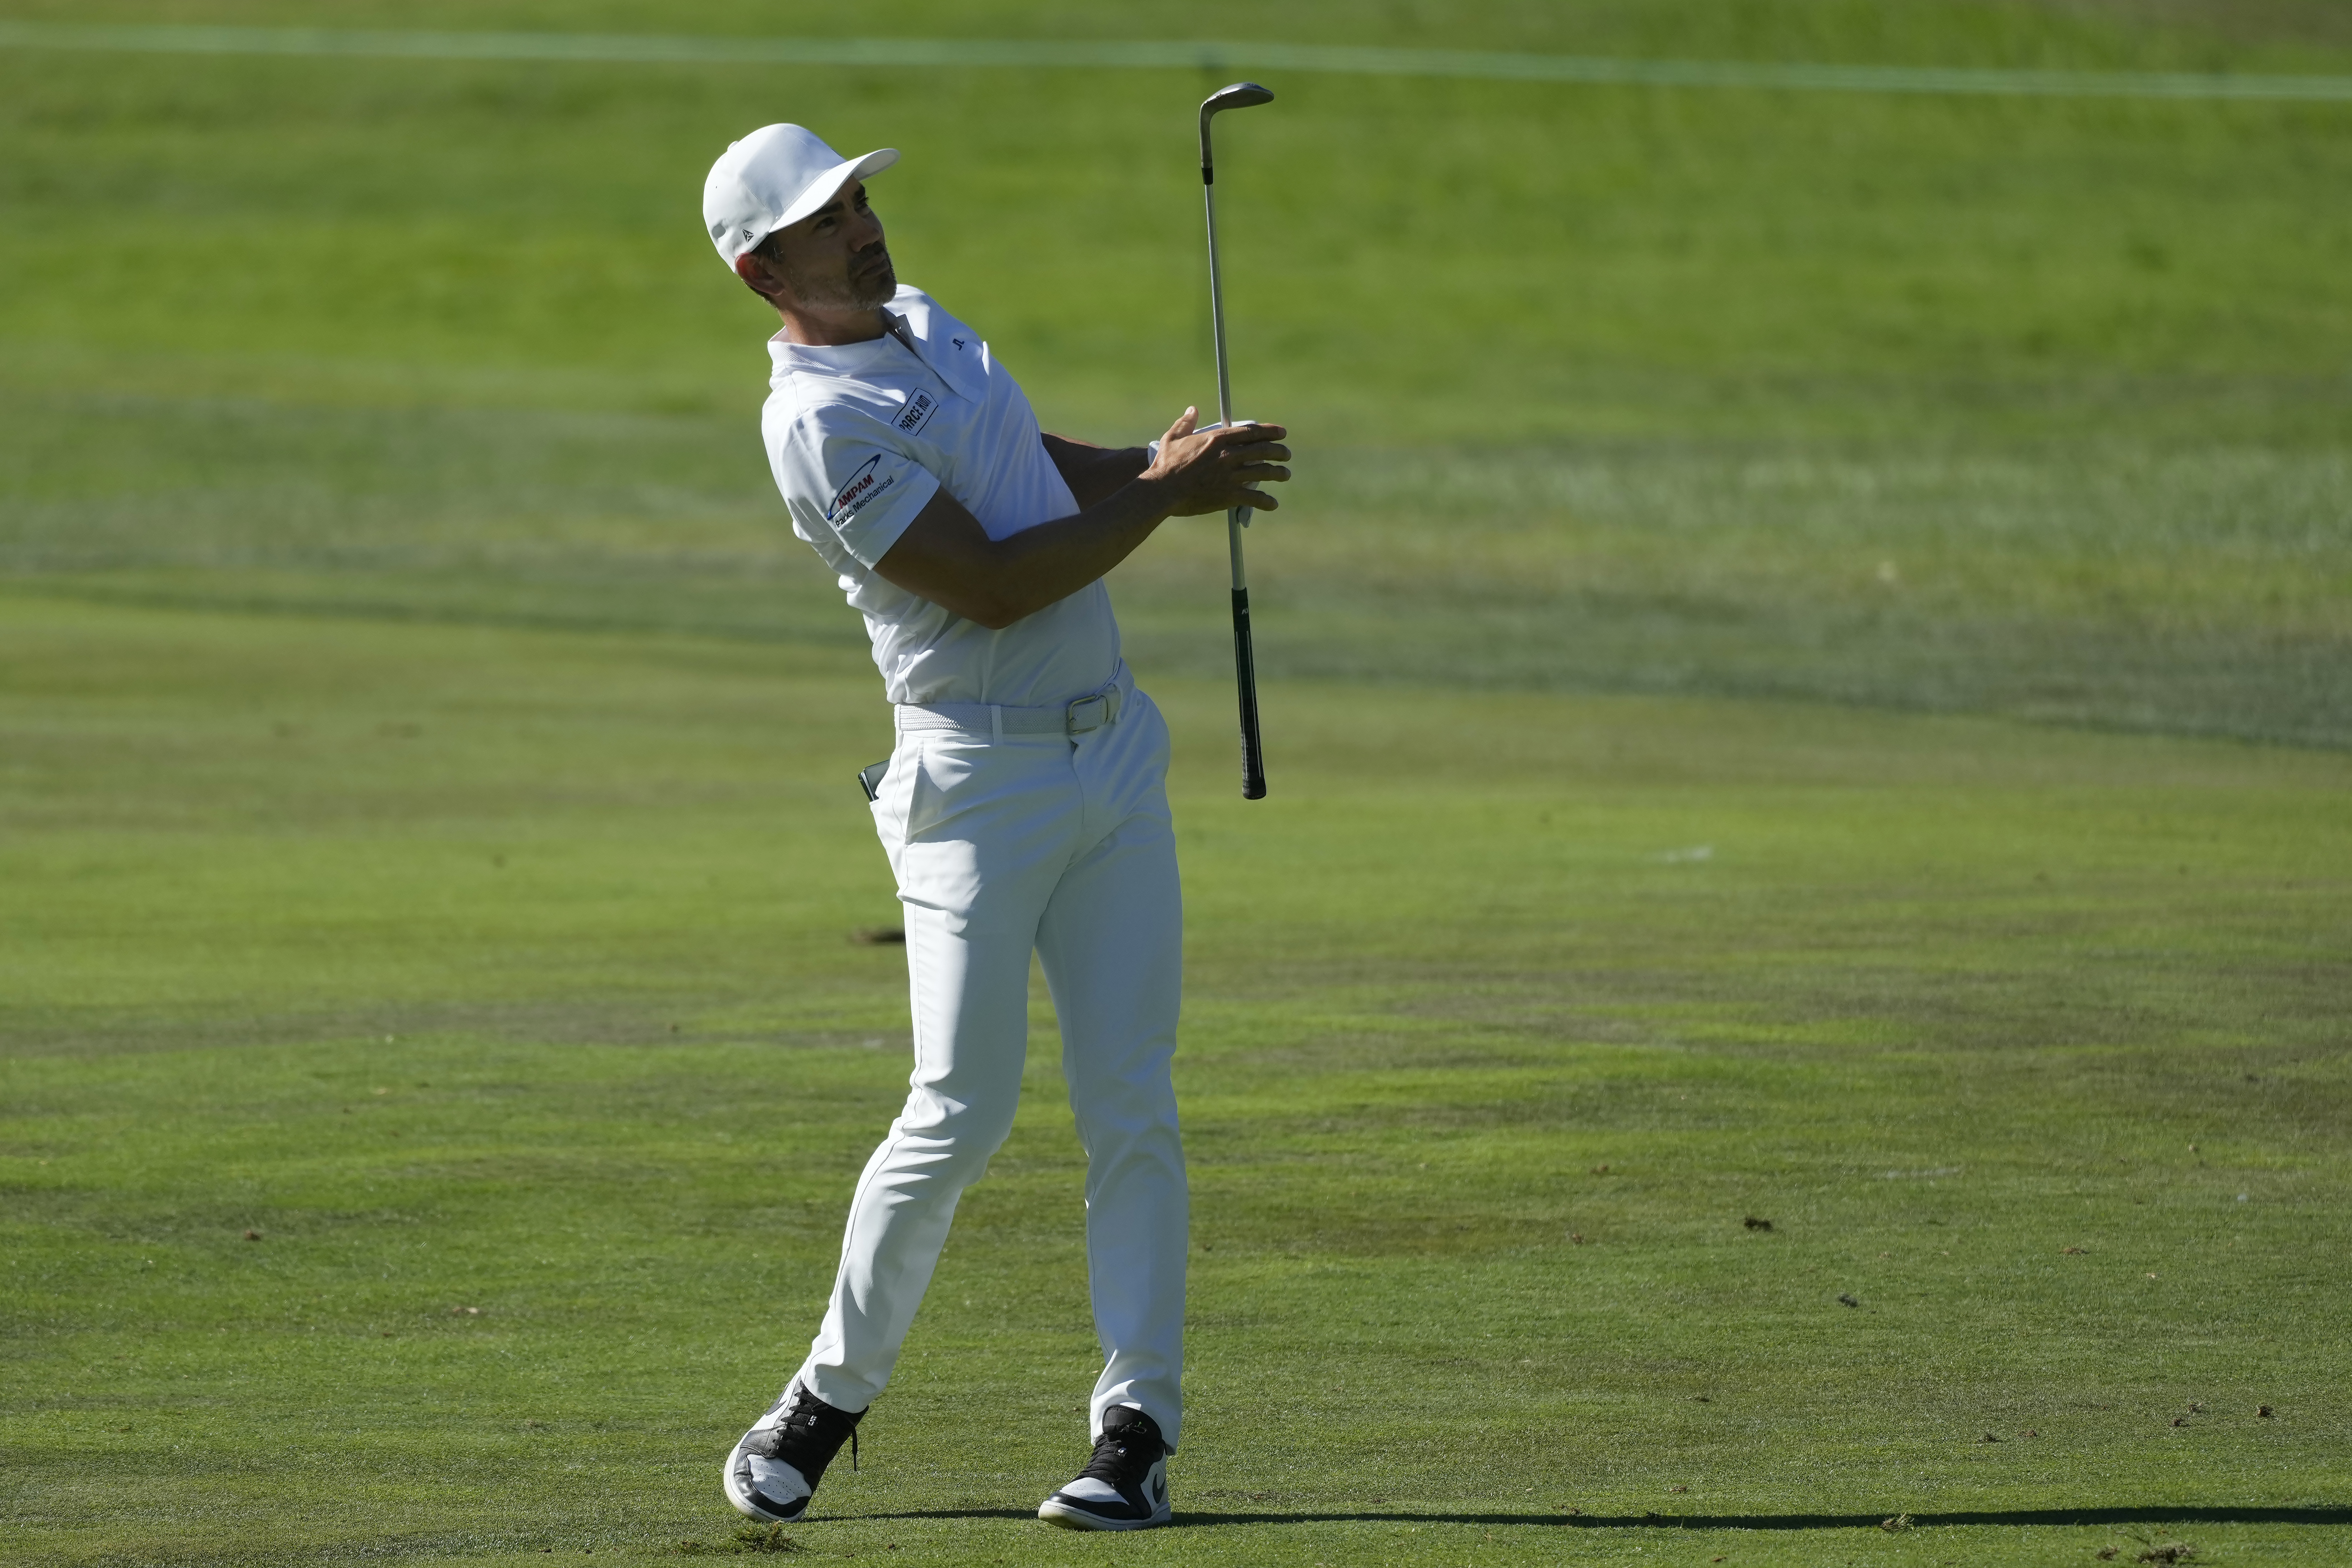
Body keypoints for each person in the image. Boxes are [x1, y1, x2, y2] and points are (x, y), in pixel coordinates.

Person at [700, 124, 1289, 1533]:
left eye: (854, 198)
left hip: (1113, 763)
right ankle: (825, 1400)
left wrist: (1150, 464)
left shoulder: (921, 322)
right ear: (761, 271)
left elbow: (1026, 463)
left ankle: (1135, 1432)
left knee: (1133, 1102)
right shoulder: (814, 425)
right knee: (957, 1109)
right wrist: (1166, 503)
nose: (859, 224)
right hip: (977, 790)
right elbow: (989, 585)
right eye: (823, 219)